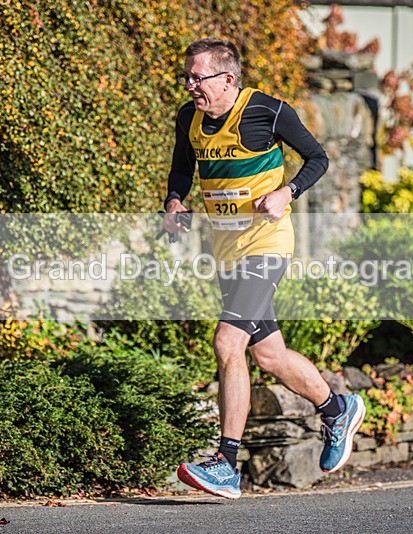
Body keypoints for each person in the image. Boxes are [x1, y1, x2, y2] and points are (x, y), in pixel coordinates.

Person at [163, 38, 365, 500]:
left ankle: (225, 465)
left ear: (227, 79)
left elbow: (318, 158)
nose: (190, 85)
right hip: (226, 251)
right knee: (269, 355)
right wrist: (175, 201)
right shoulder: (188, 117)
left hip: (266, 246)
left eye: (198, 77)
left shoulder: (268, 112)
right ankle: (337, 409)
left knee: (227, 341)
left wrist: (286, 192)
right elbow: (182, 168)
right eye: (187, 77)